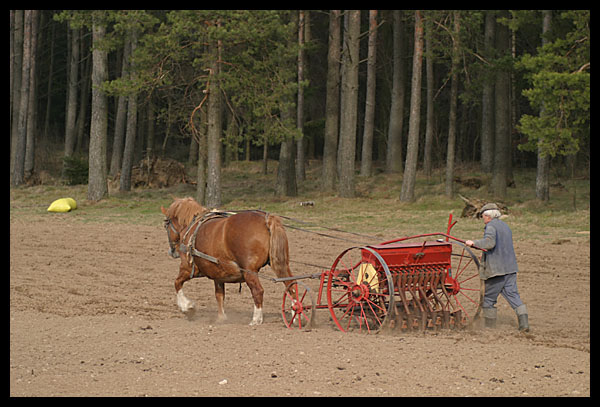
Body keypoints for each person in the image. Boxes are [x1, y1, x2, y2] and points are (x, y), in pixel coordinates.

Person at [465, 203, 529, 332]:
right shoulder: (505, 226)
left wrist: (473, 243)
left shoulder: (491, 226)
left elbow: (490, 243)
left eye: (483, 216)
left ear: (488, 216)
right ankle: (524, 324)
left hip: (497, 270)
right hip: (510, 268)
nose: (483, 219)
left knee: (488, 298)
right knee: (513, 295)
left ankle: (490, 328)